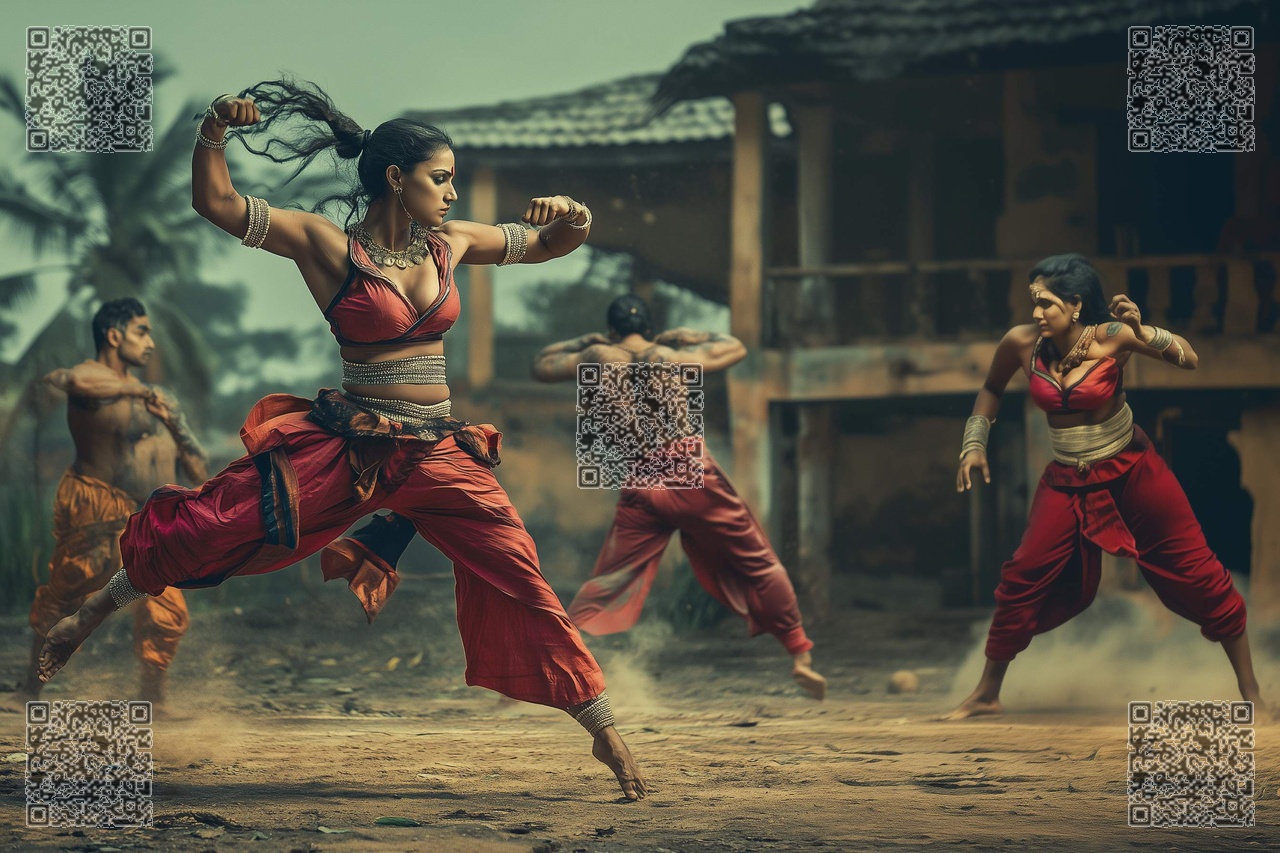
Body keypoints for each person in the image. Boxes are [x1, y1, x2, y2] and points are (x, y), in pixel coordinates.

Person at [35, 80, 645, 800]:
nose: (451, 194)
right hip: (352, 449)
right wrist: (211, 131)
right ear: (396, 178)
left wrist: (574, 214)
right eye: (440, 178)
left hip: (438, 452)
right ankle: (88, 613)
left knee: (520, 571)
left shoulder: (452, 244)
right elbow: (219, 206)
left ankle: (603, 725)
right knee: (217, 521)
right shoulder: (328, 247)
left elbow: (549, 243)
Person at [326, 295, 825, 699]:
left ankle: (557, 665)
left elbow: (542, 365)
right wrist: (680, 337)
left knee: (607, 583)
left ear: (609, 332)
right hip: (687, 470)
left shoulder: (594, 355)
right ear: (649, 329)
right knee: (756, 560)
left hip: (638, 481)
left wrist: (590, 340)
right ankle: (799, 654)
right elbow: (732, 347)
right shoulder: (673, 357)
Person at [943, 253, 1267, 721]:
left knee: (1198, 571)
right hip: (1066, 478)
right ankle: (987, 693)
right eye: (1033, 302)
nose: (1036, 313)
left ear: (1075, 305)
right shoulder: (1020, 343)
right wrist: (974, 443)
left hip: (1133, 470)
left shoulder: (1112, 337)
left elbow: (1189, 359)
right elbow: (991, 389)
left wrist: (1143, 329)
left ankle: (1252, 692)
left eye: (1046, 303)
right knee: (1023, 573)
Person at [1, 299, 206, 715]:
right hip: (94, 503)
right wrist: (141, 390)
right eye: (141, 331)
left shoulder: (155, 396)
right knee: (67, 592)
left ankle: (152, 696)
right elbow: (67, 380)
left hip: (146, 514)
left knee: (164, 602)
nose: (150, 342)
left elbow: (197, 469)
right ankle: (29, 689)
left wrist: (176, 425)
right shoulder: (91, 379)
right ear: (114, 335)